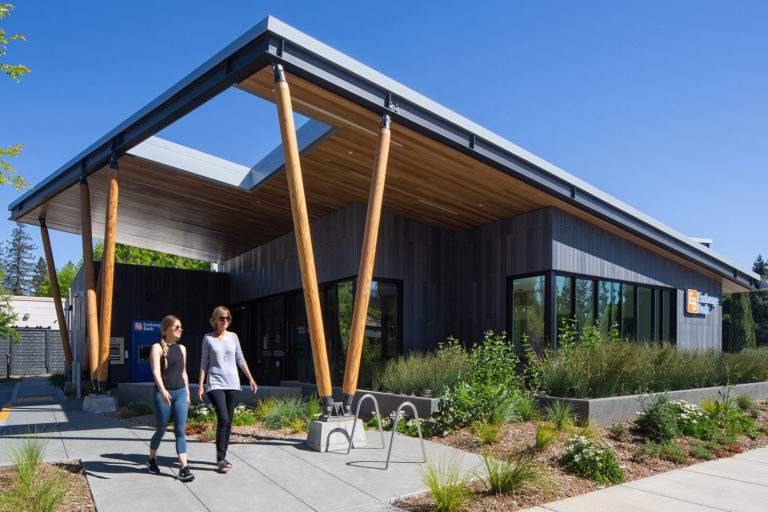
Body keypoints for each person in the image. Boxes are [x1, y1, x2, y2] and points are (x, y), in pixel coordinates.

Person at [198, 306, 257, 473]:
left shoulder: (234, 337)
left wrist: (250, 378)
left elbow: (240, 358)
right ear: (215, 320)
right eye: (222, 318)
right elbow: (204, 362)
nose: (226, 321)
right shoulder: (208, 338)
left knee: (228, 422)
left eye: (228, 318)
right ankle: (221, 459)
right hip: (215, 383)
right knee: (223, 418)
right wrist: (201, 385)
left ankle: (222, 454)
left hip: (233, 383)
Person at [147, 315, 194, 482]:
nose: (180, 330)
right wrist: (163, 390)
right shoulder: (157, 347)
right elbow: (155, 372)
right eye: (176, 327)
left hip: (180, 393)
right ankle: (151, 459)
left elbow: (183, 373)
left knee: (180, 431)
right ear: (166, 329)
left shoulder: (182, 349)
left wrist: (187, 392)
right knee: (160, 430)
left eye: (181, 327)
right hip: (163, 394)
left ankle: (184, 468)